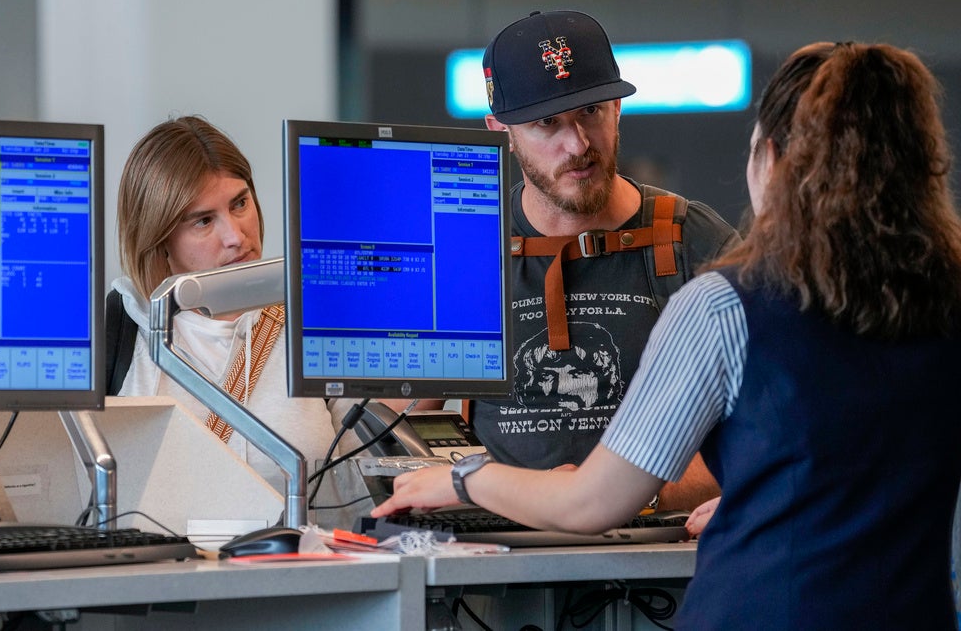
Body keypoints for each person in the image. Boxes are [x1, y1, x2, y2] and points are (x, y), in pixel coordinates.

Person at [374, 41, 961, 629]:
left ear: (772, 159)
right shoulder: (947, 298)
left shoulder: (723, 303)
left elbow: (591, 504)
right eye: (547, 123)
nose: (575, 142)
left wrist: (464, 477)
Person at [471, 10, 739, 510]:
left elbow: (765, 418)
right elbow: (389, 419)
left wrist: (632, 498)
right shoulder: (468, 247)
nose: (578, 144)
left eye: (591, 112)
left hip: (657, 566)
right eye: (547, 122)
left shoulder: (692, 242)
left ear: (617, 108)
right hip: (493, 571)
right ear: (500, 129)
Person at [109, 115, 338, 491]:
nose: (235, 236)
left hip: (305, 546)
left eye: (240, 203)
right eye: (203, 221)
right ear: (160, 239)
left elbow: (370, 460)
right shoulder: (118, 330)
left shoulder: (316, 318)